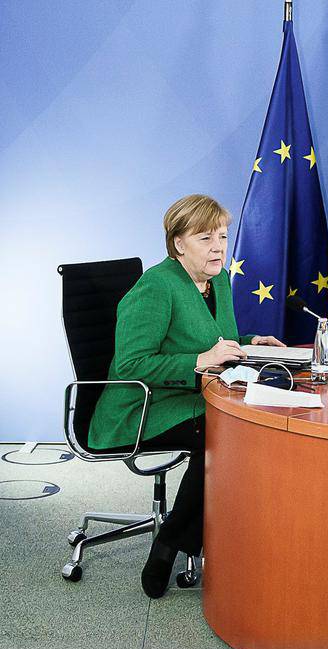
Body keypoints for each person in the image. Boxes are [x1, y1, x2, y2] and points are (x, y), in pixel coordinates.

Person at [88, 194, 285, 598]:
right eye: (205, 238)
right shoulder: (156, 287)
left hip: (196, 396)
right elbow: (131, 366)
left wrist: (251, 343)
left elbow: (218, 340)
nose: (218, 247)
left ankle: (179, 535)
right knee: (225, 435)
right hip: (142, 406)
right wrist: (199, 361)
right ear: (179, 243)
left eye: (223, 237)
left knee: (238, 427)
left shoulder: (218, 281)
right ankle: (172, 543)